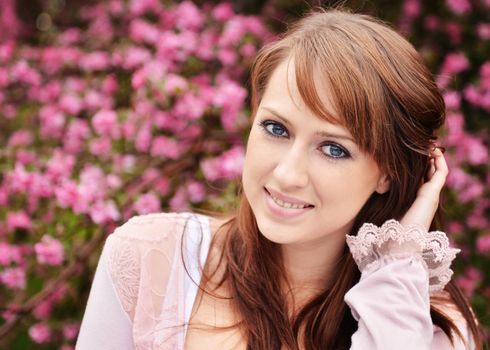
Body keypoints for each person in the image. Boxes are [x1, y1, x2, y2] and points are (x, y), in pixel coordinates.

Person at [76, 8, 482, 350]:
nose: (287, 174)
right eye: (276, 128)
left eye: (334, 149)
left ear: (388, 173)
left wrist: (398, 257)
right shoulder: (150, 261)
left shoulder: (430, 331)